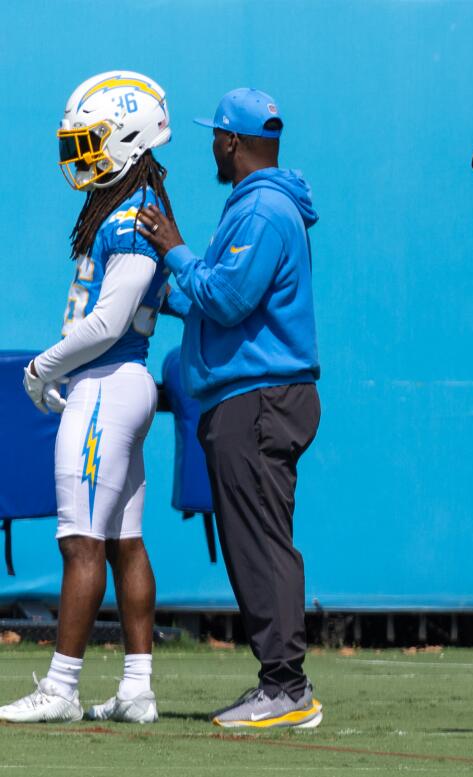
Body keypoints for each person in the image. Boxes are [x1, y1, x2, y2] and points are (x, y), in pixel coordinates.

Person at [135, 88, 323, 727]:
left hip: (259, 398)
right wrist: (166, 290)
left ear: (233, 142)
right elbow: (214, 300)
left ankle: (288, 688)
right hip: (252, 396)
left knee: (262, 542)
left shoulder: (264, 210)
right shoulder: (255, 206)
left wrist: (176, 251)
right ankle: (279, 682)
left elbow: (228, 298)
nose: (211, 144)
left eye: (215, 134)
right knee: (254, 540)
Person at [0, 71, 173, 725]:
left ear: (129, 137)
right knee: (124, 539)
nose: (80, 155)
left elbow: (108, 321)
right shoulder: (128, 203)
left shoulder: (130, 217)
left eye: (92, 141)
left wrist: (42, 368)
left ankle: (62, 686)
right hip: (113, 383)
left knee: (80, 540)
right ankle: (136, 686)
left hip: (105, 382)